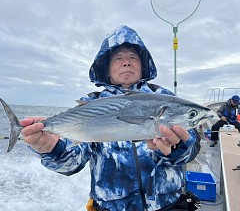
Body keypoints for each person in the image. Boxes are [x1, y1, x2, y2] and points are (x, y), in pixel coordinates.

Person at [21, 25, 201, 211]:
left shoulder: (165, 98)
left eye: (133, 57)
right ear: (106, 69)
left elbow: (192, 147)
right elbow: (71, 163)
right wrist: (51, 149)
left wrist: (178, 148)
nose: (126, 62)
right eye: (118, 58)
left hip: (168, 205)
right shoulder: (91, 103)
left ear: (143, 65)